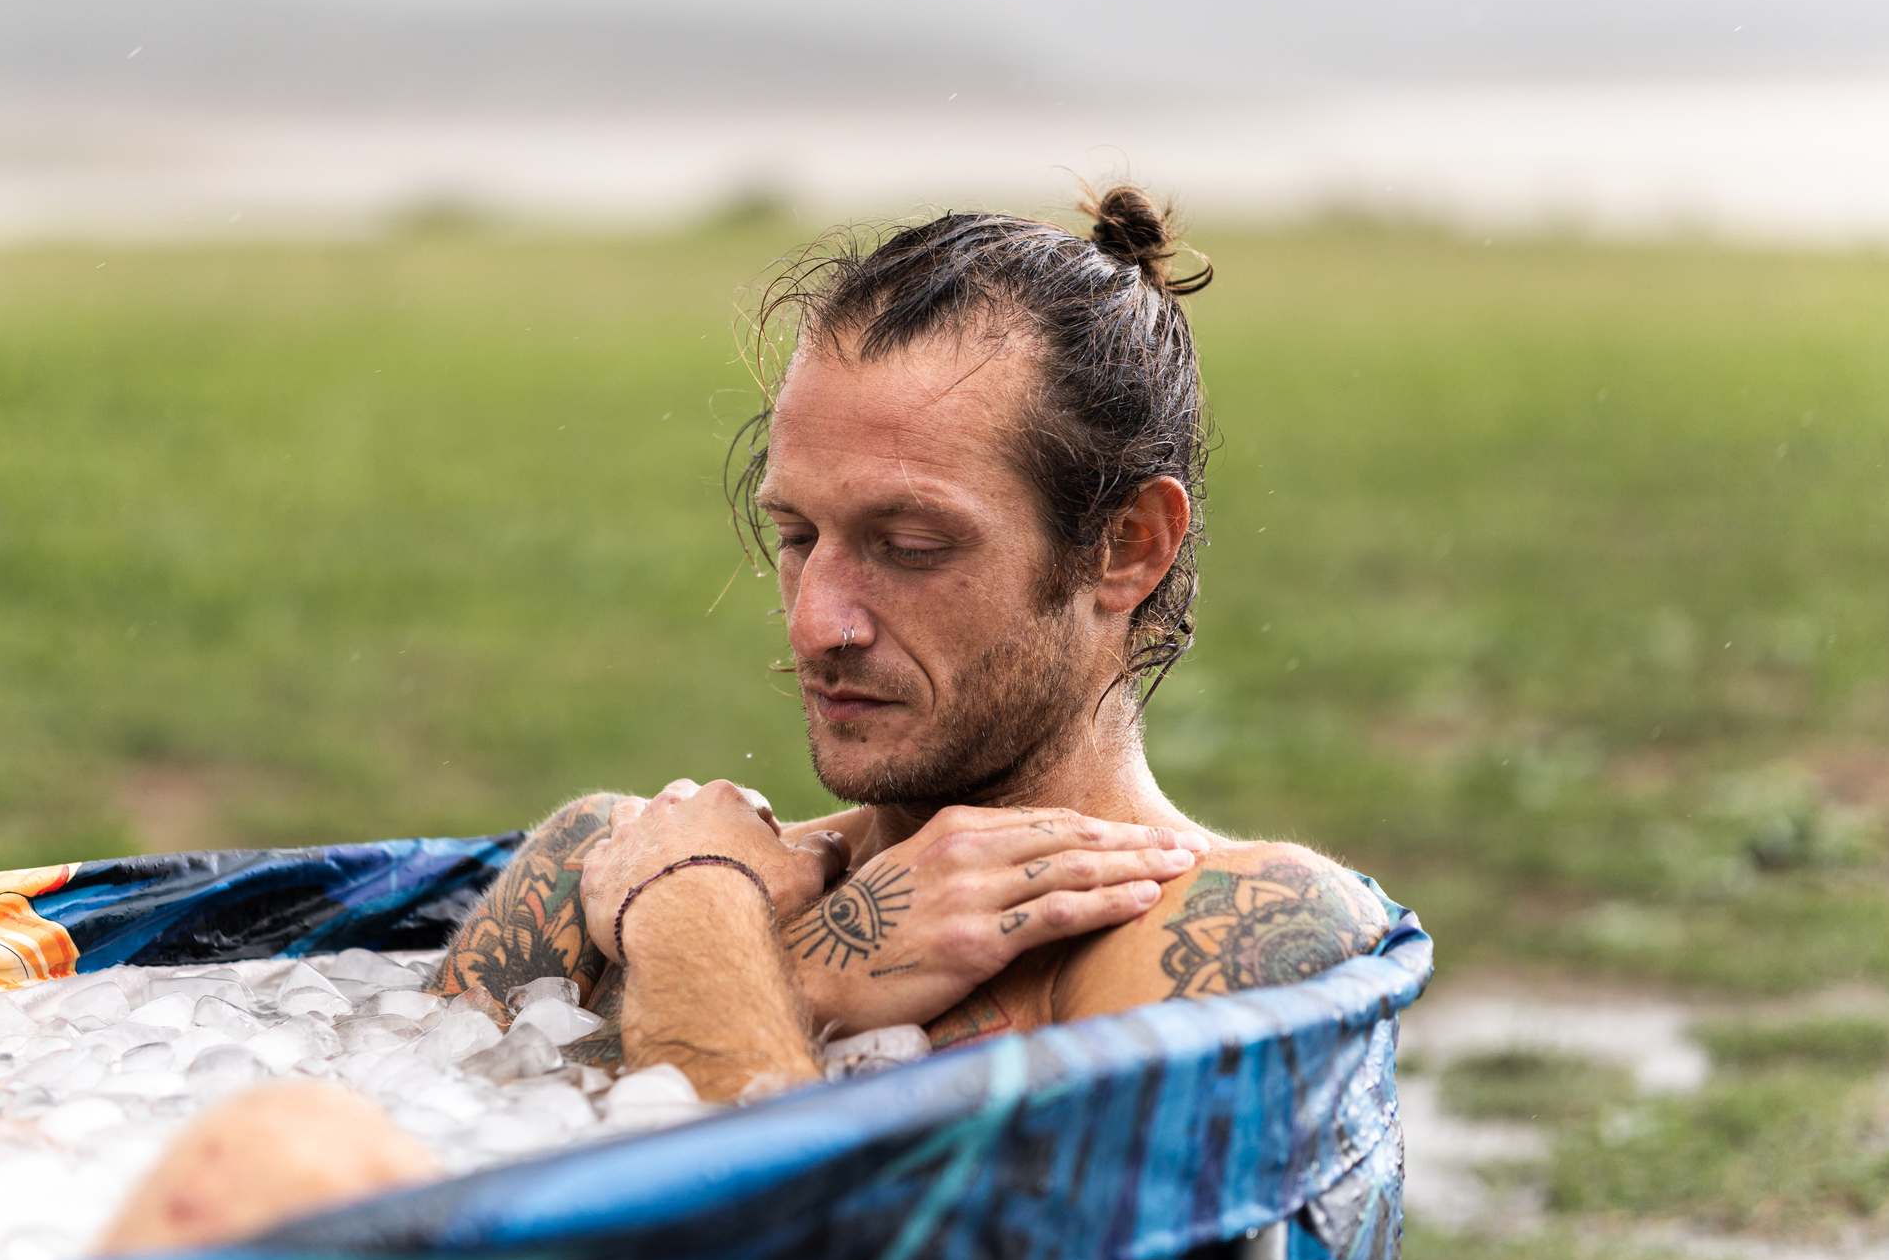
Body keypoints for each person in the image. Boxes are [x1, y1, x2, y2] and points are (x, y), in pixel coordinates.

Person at [431, 187, 1391, 1099]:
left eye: (911, 547)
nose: (815, 624)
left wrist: (699, 920)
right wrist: (791, 962)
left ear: (1125, 548)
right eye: (798, 537)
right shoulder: (597, 869)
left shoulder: (1231, 926)